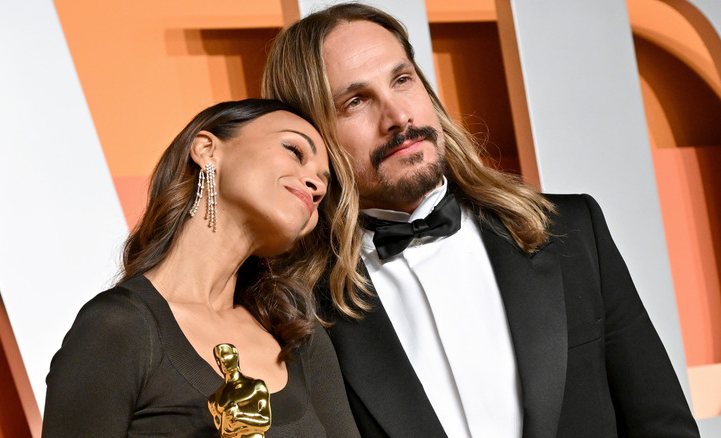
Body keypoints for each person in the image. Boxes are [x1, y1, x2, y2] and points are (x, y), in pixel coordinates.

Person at [262, 3, 700, 437]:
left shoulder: (571, 229)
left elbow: (663, 425)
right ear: (310, 136)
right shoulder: (296, 308)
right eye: (356, 101)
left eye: (402, 80)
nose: (398, 118)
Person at [42, 99, 362, 437]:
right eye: (294, 151)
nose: (317, 186)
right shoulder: (118, 328)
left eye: (323, 182)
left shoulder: (300, 342)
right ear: (207, 149)